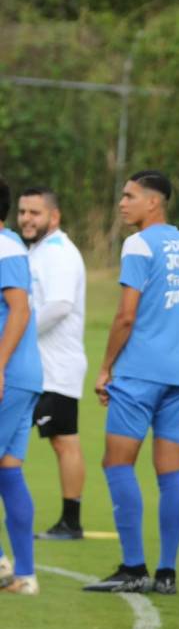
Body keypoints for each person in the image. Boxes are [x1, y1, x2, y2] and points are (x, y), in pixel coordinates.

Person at [87, 170, 179, 594]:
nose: (122, 202)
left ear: (153, 202)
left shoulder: (138, 244)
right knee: (170, 472)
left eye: (129, 195)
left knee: (117, 464)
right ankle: (167, 573)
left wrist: (105, 368)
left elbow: (126, 314)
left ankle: (134, 567)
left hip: (140, 371)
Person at [16, 187, 88, 540]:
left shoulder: (58, 253)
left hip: (54, 369)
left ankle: (71, 522)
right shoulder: (40, 251)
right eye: (23, 212)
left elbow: (59, 305)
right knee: (63, 440)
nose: (27, 219)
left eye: (35, 213)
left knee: (64, 442)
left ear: (54, 216)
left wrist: (19, 333)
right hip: (42, 368)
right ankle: (70, 521)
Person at [0, 176, 42, 594]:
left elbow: (20, 310)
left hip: (9, 373)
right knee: (9, 471)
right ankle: (24, 575)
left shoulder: (5, 247)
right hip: (22, 374)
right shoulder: (11, 242)